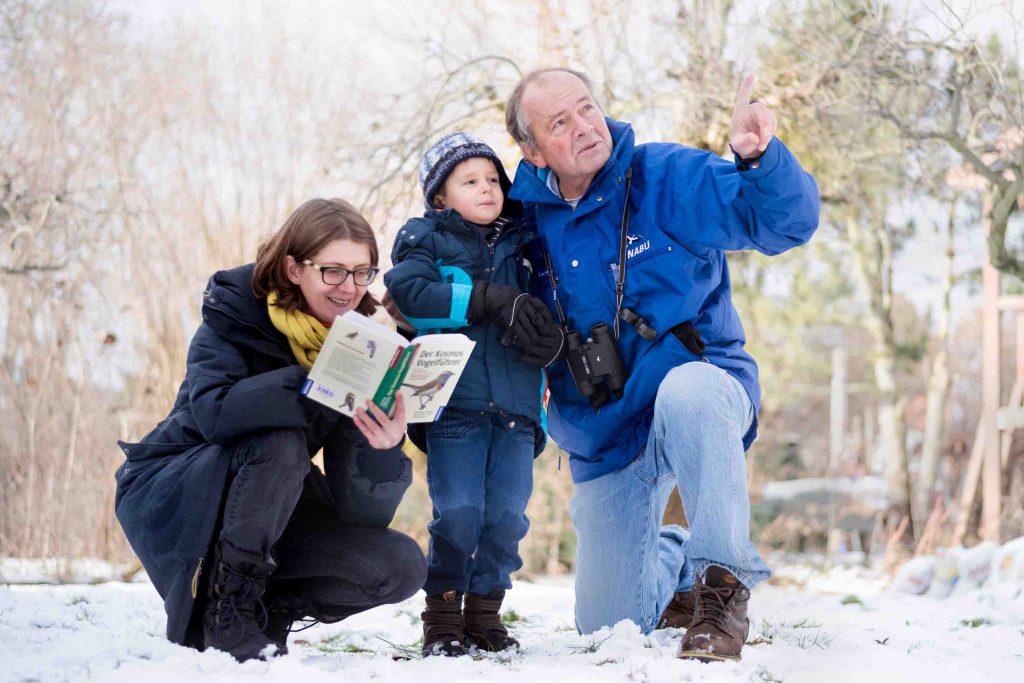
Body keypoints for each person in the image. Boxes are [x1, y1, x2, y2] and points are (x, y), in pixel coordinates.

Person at [504, 68, 820, 662]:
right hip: (606, 433)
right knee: (605, 627)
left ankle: (720, 587)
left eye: (587, 108)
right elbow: (468, 287)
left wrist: (760, 160)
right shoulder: (520, 227)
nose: (583, 127)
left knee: (689, 390)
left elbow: (784, 225)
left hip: (700, 391)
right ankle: (674, 560)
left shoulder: (664, 177)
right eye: (559, 123)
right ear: (531, 150)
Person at [114, 198, 426, 662]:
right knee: (278, 440)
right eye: (333, 271)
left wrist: (382, 448)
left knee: (399, 565)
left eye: (363, 272)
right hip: (179, 491)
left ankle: (269, 606)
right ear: (293, 268)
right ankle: (228, 613)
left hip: (271, 506)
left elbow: (360, 513)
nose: (349, 288)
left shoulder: (354, 346)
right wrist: (311, 379)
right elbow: (213, 414)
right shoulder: (235, 315)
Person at [383, 133, 562, 656]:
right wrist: (484, 297)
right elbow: (411, 296)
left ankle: (485, 612)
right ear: (440, 197)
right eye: (470, 181)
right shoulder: (425, 237)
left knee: (507, 517)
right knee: (459, 510)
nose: (487, 189)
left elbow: (553, 305)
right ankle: (442, 616)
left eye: (492, 180)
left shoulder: (527, 244)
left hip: (518, 406)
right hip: (452, 405)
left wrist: (551, 338)